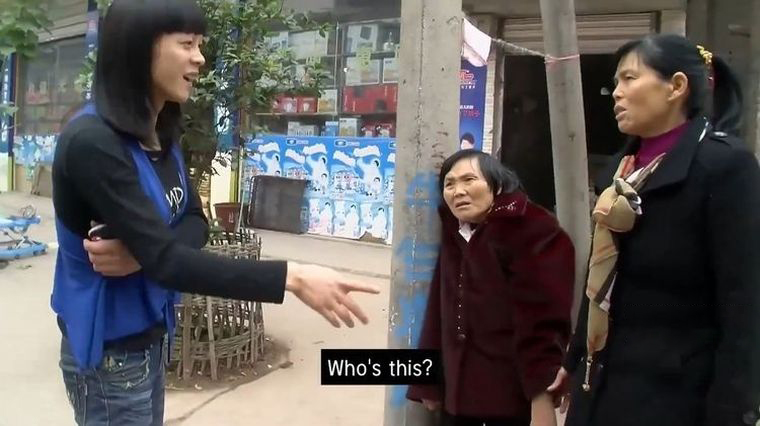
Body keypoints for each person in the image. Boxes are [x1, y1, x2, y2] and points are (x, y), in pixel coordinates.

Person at [52, 1, 378, 425]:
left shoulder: (159, 129)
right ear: (139, 46)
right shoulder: (93, 142)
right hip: (109, 351)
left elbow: (195, 220)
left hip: (152, 336)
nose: (200, 58)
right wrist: (293, 277)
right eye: (187, 44)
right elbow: (170, 263)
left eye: (201, 45)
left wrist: (147, 255)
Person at [554, 34, 760, 426]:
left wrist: (733, 410)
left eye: (629, 78)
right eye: (615, 82)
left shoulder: (724, 167)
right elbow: (601, 278)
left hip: (675, 396)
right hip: (600, 386)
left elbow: (745, 304)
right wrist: (576, 357)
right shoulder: (619, 171)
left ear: (676, 86)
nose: (617, 93)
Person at [407, 150, 575, 426]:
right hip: (457, 400)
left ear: (496, 185)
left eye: (469, 180)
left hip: (508, 402)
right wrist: (427, 382)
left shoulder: (533, 229)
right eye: (449, 184)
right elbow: (438, 311)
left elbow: (542, 324)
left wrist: (541, 399)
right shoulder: (456, 232)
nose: (458, 191)